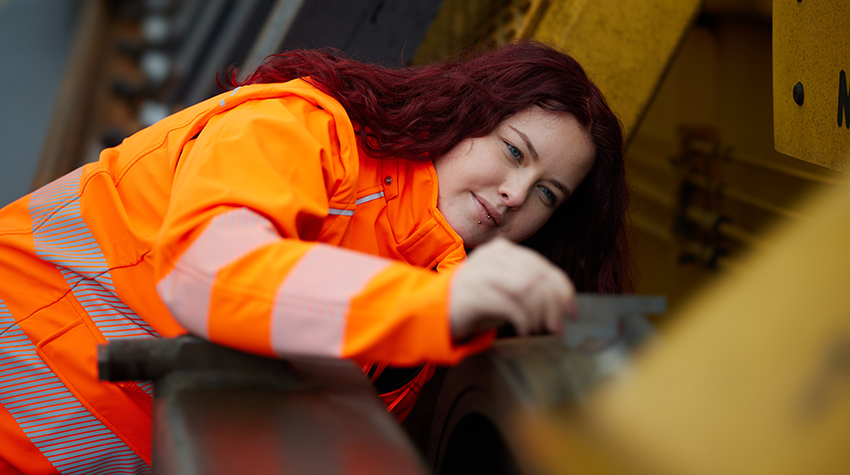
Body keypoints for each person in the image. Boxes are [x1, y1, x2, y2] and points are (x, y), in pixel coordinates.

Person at [0, 41, 628, 474]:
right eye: (515, 152)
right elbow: (211, 276)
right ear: (465, 115)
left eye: (548, 193)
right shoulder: (298, 128)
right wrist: (440, 307)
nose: (516, 194)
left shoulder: (433, 294)